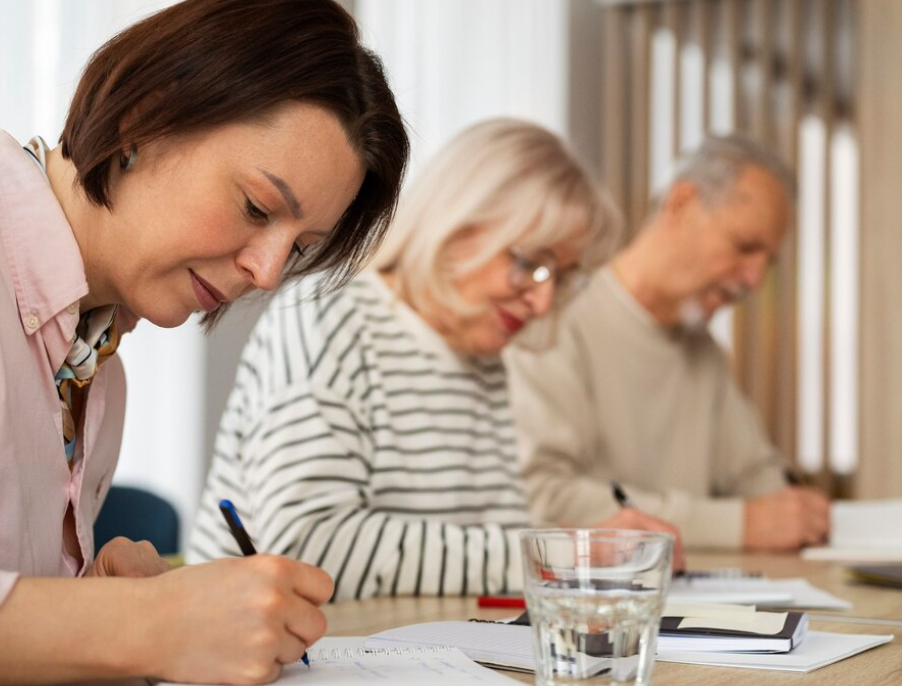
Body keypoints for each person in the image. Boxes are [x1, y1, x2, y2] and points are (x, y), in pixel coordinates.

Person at [0, 0, 409, 683]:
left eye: (300, 248)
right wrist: (141, 625)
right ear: (145, 118)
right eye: (256, 207)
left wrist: (89, 603)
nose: (269, 272)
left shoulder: (98, 371)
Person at [187, 119, 685, 601]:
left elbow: (489, 549)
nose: (543, 301)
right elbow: (310, 548)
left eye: (563, 277)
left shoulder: (480, 355)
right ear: (456, 226)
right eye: (533, 264)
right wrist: (555, 552)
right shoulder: (329, 316)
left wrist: (558, 554)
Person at [506, 134, 831, 552]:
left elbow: (760, 482)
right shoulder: (555, 318)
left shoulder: (705, 354)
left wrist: (797, 510)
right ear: (681, 204)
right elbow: (545, 499)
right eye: (745, 247)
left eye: (766, 262)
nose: (754, 279)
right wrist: (738, 526)